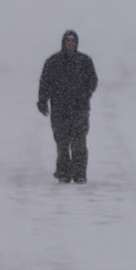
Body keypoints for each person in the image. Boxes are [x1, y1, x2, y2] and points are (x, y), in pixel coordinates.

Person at [37, 30, 98, 183]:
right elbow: (45, 83)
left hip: (79, 109)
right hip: (59, 110)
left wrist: (85, 95)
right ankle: (63, 172)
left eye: (73, 42)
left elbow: (92, 81)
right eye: (68, 42)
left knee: (79, 143)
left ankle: (79, 173)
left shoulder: (84, 61)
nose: (70, 45)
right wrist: (42, 101)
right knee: (62, 143)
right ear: (63, 43)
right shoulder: (53, 62)